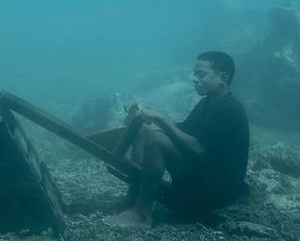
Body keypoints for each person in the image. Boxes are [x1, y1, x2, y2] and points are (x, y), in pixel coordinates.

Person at [94, 51, 249, 228]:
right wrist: (149, 111)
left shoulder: (228, 110)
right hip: (204, 176)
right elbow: (182, 130)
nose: (194, 79)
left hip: (217, 192)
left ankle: (142, 214)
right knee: (145, 128)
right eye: (195, 74)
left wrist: (161, 119)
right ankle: (134, 198)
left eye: (201, 74)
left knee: (156, 139)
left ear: (223, 77)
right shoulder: (208, 103)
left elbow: (198, 149)